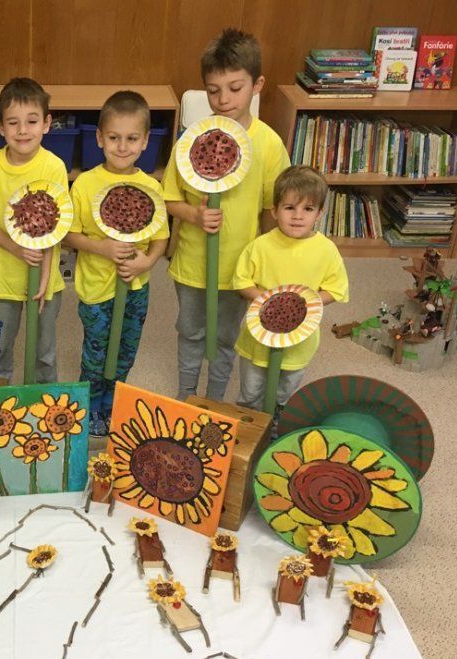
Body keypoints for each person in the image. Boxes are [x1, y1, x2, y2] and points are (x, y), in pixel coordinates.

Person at [161, 28, 291, 401]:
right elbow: (169, 198)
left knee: (224, 336)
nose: (224, 99)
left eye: (235, 88)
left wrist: (266, 260)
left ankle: (215, 399)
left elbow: (273, 211)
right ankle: (186, 396)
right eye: (213, 90)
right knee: (190, 331)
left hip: (239, 267)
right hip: (193, 264)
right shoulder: (190, 140)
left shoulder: (268, 144)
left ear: (257, 85)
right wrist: (193, 215)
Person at [66, 91, 169, 436]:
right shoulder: (85, 184)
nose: (122, 147)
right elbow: (71, 235)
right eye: (114, 138)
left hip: (135, 287)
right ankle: (91, 403)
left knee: (126, 349)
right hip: (97, 288)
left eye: (131, 139)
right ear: (99, 138)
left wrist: (147, 262)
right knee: (96, 352)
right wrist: (103, 249)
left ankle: (113, 401)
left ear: (145, 142)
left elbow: (161, 238)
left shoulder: (151, 187)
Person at [0, 77, 67, 383]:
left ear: (46, 124)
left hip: (45, 281)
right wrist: (16, 248)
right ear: (0, 126)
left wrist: (45, 277)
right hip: (4, 280)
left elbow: (57, 226)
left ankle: (46, 399)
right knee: (1, 349)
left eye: (32, 121)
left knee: (45, 352)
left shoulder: (54, 167)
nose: (23, 130)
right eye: (13, 123)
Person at [232, 166, 349, 410]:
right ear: (275, 211)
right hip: (258, 336)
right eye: (289, 208)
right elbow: (241, 282)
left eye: (308, 209)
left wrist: (301, 302)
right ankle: (249, 418)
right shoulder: (260, 246)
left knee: (285, 389)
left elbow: (336, 289)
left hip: (300, 339)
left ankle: (277, 417)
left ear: (320, 213)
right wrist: (270, 300)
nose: (298, 216)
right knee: (251, 390)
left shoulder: (327, 250)